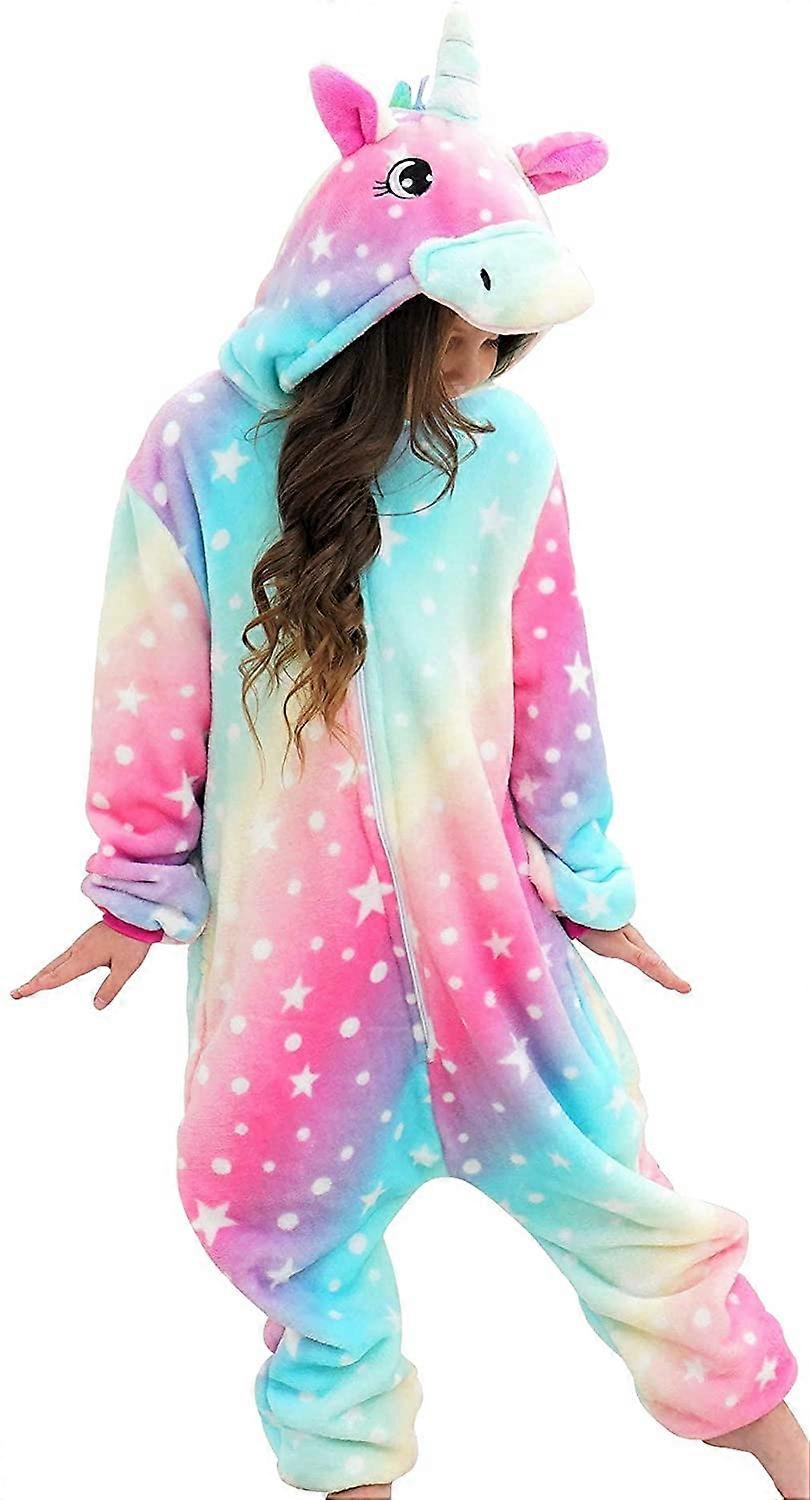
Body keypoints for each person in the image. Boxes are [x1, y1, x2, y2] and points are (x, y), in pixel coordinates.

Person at [10, 6, 807, 1499]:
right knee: (280, 1230)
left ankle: (786, 1456)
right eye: (464, 325)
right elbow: (148, 673)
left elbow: (552, 683)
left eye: (507, 335)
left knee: (627, 1202)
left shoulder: (509, 455)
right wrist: (135, 884)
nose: (488, 360)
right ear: (369, 292)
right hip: (286, 963)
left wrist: (589, 879)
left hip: (489, 940)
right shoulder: (202, 446)